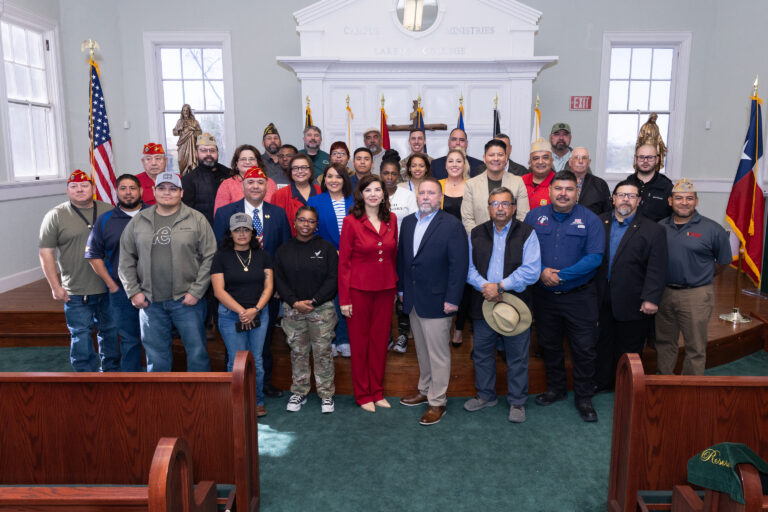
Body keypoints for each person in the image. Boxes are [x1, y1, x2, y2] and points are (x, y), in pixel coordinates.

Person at [524, 170, 604, 422]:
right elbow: (523, 251)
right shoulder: (534, 217)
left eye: (569, 189)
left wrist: (562, 275)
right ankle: (556, 389)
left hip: (579, 297)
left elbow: (594, 257)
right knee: (549, 344)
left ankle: (583, 396)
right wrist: (540, 272)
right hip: (544, 295)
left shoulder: (590, 220)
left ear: (577, 192)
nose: (563, 194)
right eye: (558, 188)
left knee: (583, 348)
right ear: (550, 191)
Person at [118, 172, 216, 372]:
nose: (167, 193)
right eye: (162, 188)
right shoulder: (139, 220)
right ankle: (160, 399)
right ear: (153, 192)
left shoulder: (196, 219)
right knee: (155, 355)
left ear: (181, 193)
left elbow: (210, 257)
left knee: (197, 352)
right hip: (149, 302)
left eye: (172, 189)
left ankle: (200, 399)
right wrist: (133, 291)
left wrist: (196, 291)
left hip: (187, 301)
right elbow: (126, 259)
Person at [213, 166, 291, 397]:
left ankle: (261, 385)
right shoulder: (226, 212)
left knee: (263, 342)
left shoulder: (277, 213)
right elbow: (219, 249)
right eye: (251, 182)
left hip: (266, 290)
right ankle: (236, 389)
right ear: (242, 185)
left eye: (260, 182)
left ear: (267, 187)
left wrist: (278, 287)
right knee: (234, 348)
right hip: (232, 291)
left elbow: (283, 252)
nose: (255, 186)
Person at [465, 187, 541, 423]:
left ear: (514, 208)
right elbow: (468, 268)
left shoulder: (528, 233)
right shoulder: (476, 233)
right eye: (495, 204)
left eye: (505, 204)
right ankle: (486, 395)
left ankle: (517, 401)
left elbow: (532, 271)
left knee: (517, 356)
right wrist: (487, 287)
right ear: (488, 208)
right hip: (484, 302)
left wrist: (501, 286)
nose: (500, 208)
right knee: (482, 353)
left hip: (516, 305)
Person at [397, 178, 468, 425]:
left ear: (441, 197)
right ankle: (424, 390)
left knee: (438, 354)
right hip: (414, 298)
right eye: (422, 192)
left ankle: (437, 401)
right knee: (422, 351)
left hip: (439, 301)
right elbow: (404, 260)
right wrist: (402, 290)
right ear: (416, 196)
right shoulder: (407, 223)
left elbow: (459, 266)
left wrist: (453, 299)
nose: (425, 197)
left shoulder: (451, 225)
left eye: (431, 193)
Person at [39, 170, 116, 371]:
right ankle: (84, 378)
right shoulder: (55, 215)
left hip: (109, 287)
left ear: (93, 188)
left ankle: (110, 374)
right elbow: (46, 253)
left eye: (84, 185)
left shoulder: (109, 210)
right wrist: (55, 286)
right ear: (67, 190)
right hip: (75, 289)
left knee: (110, 332)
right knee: (80, 335)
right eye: (74, 186)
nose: (79, 189)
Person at [594, 180, 667, 392]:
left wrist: (651, 298)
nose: (626, 199)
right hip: (601, 297)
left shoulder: (653, 230)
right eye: (622, 195)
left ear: (639, 201)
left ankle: (625, 386)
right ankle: (602, 382)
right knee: (602, 343)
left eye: (632, 196)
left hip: (634, 299)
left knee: (629, 348)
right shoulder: (598, 222)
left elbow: (657, 267)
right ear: (613, 198)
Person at [655, 179, 731, 375]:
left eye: (689, 198)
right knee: (664, 342)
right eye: (679, 198)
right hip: (664, 293)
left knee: (695, 347)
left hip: (696, 295)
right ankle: (665, 383)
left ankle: (689, 389)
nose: (684, 202)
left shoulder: (712, 229)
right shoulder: (659, 228)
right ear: (670, 201)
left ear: (696, 201)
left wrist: (700, 275)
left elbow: (723, 262)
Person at [339, 174, 398, 412]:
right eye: (368, 190)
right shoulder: (351, 221)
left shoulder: (392, 219)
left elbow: (393, 255)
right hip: (358, 292)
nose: (373, 194)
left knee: (379, 343)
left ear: (384, 193)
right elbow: (344, 263)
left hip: (385, 290)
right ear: (361, 195)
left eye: (377, 189)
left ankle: (377, 391)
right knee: (360, 344)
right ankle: (363, 394)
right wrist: (344, 299)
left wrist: (395, 287)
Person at [275, 206, 339, 414]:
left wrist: (314, 300)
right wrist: (294, 302)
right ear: (294, 222)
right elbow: (279, 280)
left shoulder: (327, 248)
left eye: (310, 221)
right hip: (293, 311)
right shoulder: (284, 250)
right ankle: (300, 391)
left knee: (322, 353)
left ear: (316, 225)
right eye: (302, 220)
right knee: (298, 352)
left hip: (321, 309)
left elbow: (333, 278)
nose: (306, 224)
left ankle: (326, 394)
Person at [211, 212, 273, 417]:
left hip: (259, 314)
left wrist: (255, 310)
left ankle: (257, 401)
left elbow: (268, 287)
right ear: (230, 233)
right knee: (235, 361)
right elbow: (219, 290)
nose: (241, 233)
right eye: (237, 230)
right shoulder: (221, 257)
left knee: (257, 360)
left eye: (245, 229)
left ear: (252, 232)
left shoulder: (263, 256)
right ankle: (237, 402)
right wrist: (241, 311)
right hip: (230, 315)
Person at [85, 174, 148, 371]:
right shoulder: (105, 220)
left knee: (157, 340)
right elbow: (94, 255)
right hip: (122, 291)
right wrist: (112, 285)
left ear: (141, 191)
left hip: (154, 289)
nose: (128, 193)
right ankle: (132, 384)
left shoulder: (155, 214)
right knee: (129, 339)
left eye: (132, 188)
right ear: (116, 192)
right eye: (123, 188)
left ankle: (158, 382)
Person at [307, 163, 354, 358]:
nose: (334, 180)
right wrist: (330, 251)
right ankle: (331, 339)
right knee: (329, 301)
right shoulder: (315, 201)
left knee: (346, 300)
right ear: (324, 180)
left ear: (345, 180)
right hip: (326, 258)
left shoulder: (354, 201)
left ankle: (345, 339)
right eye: (330, 176)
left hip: (352, 259)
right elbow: (310, 230)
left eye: (338, 176)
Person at [380, 150, 419, 354]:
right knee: (385, 296)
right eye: (385, 173)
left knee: (402, 293)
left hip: (403, 252)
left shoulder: (408, 195)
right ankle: (385, 335)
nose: (389, 177)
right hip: (380, 255)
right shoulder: (373, 192)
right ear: (380, 174)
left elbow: (413, 223)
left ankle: (403, 335)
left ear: (400, 175)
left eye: (393, 174)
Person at [461, 139, 529, 234]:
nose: (496, 158)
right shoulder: (471, 184)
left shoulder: (518, 182)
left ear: (506, 158)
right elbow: (467, 218)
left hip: (510, 240)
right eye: (491, 155)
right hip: (480, 240)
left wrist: (510, 237)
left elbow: (523, 215)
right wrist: (480, 238)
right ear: (484, 158)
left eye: (500, 155)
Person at [438, 148, 471, 347]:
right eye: (451, 161)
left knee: (464, 286)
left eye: (459, 161)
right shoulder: (438, 185)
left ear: (464, 164)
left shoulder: (472, 186)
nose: (454, 164)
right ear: (446, 164)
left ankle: (459, 329)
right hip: (441, 243)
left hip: (466, 243)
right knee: (444, 284)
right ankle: (444, 325)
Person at [181, 133, 231, 227]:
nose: (208, 154)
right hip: (202, 230)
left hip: (229, 230)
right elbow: (187, 212)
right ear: (196, 153)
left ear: (217, 153)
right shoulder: (188, 179)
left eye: (212, 150)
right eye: (203, 150)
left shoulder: (229, 174)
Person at [214, 144, 277, 214]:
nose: (247, 162)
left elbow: (277, 212)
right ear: (236, 163)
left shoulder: (269, 183)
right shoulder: (227, 185)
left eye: (251, 159)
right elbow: (220, 215)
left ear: (258, 162)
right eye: (243, 159)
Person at [271, 153, 321, 236]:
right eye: (295, 168)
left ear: (310, 170)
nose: (300, 171)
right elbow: (274, 226)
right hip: (290, 245)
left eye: (304, 167)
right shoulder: (279, 195)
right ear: (290, 171)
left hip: (320, 244)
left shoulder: (322, 192)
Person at [627, 144, 673, 222]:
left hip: (657, 232)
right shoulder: (626, 185)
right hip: (628, 231)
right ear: (635, 159)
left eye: (650, 157)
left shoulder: (667, 187)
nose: (645, 161)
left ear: (657, 159)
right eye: (641, 157)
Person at [569, 147, 611, 216]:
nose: (580, 161)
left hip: (591, 224)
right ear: (570, 162)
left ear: (589, 163)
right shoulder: (561, 181)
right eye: (577, 157)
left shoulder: (600, 184)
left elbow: (607, 212)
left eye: (584, 158)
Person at [522, 140, 555, 210]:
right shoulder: (521, 181)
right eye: (535, 158)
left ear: (552, 161)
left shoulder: (558, 183)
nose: (540, 162)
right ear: (530, 162)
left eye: (545, 157)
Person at [173, 104, 202, 174]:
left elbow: (200, 132)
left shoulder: (194, 122)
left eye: (187, 110)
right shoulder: (179, 121)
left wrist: (192, 130)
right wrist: (180, 129)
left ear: (189, 111)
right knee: (181, 160)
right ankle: (183, 177)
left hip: (192, 144)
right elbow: (174, 132)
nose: (185, 112)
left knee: (192, 162)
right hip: (182, 145)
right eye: (184, 110)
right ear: (182, 112)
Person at [262, 123, 289, 187]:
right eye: (269, 138)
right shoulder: (257, 161)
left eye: (276, 138)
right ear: (263, 143)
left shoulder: (287, 161)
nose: (273, 141)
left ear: (281, 142)